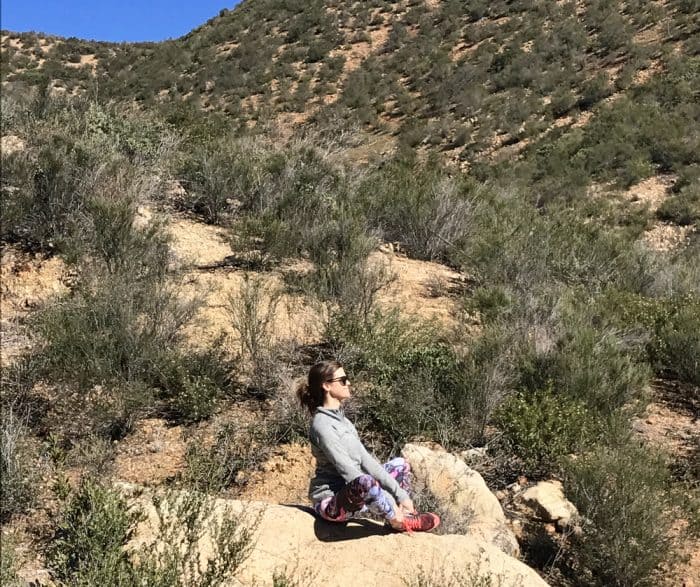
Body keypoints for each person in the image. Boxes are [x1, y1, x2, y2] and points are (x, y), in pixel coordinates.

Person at [295, 360, 440, 532]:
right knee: (365, 481)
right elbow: (347, 470)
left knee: (400, 465)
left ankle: (404, 515)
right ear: (326, 386)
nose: (348, 383)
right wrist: (388, 499)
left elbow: (367, 461)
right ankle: (398, 521)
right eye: (342, 380)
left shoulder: (344, 422)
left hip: (357, 494)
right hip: (333, 503)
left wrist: (402, 496)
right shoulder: (322, 425)